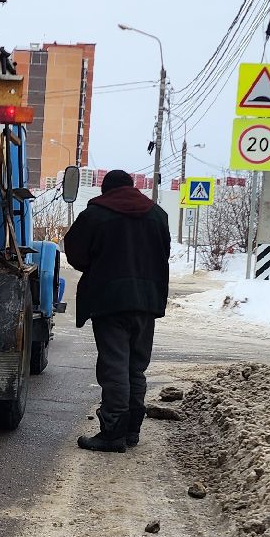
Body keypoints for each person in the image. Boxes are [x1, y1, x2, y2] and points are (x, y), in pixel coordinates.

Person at [63, 169, 170, 452]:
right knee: (136, 367)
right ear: (131, 187)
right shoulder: (157, 214)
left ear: (105, 190)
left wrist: (98, 267)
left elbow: (74, 252)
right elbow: (164, 253)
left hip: (109, 301)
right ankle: (131, 430)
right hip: (147, 301)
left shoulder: (96, 214)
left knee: (114, 368)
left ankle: (112, 434)